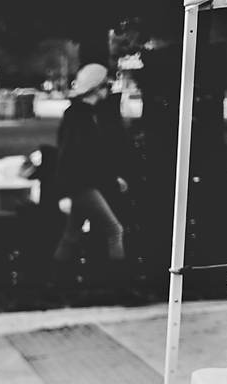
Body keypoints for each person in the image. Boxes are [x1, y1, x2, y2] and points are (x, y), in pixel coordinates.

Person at [52, 63, 130, 282]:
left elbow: (90, 156)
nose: (108, 90)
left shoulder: (84, 114)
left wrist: (112, 178)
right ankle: (120, 281)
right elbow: (72, 156)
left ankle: (56, 279)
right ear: (97, 88)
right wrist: (65, 191)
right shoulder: (80, 117)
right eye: (106, 85)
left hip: (81, 183)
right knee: (115, 230)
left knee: (72, 233)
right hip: (81, 185)